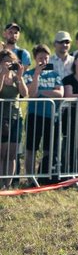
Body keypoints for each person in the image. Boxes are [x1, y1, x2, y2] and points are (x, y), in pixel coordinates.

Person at [23, 44, 63, 185]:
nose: (44, 61)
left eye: (46, 58)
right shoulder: (28, 75)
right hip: (35, 115)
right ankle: (30, 179)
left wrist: (42, 92)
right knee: (31, 149)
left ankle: (43, 177)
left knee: (48, 149)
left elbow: (60, 93)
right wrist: (37, 76)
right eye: (40, 58)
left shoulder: (55, 74)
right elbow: (31, 94)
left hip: (50, 116)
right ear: (35, 58)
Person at [0, 50, 29, 187]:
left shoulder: (16, 76)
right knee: (1, 153)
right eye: (5, 61)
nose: (8, 64)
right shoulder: (1, 75)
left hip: (16, 117)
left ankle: (8, 185)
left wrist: (20, 77)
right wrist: (3, 74)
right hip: (1, 117)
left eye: (10, 61)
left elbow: (24, 93)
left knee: (12, 154)